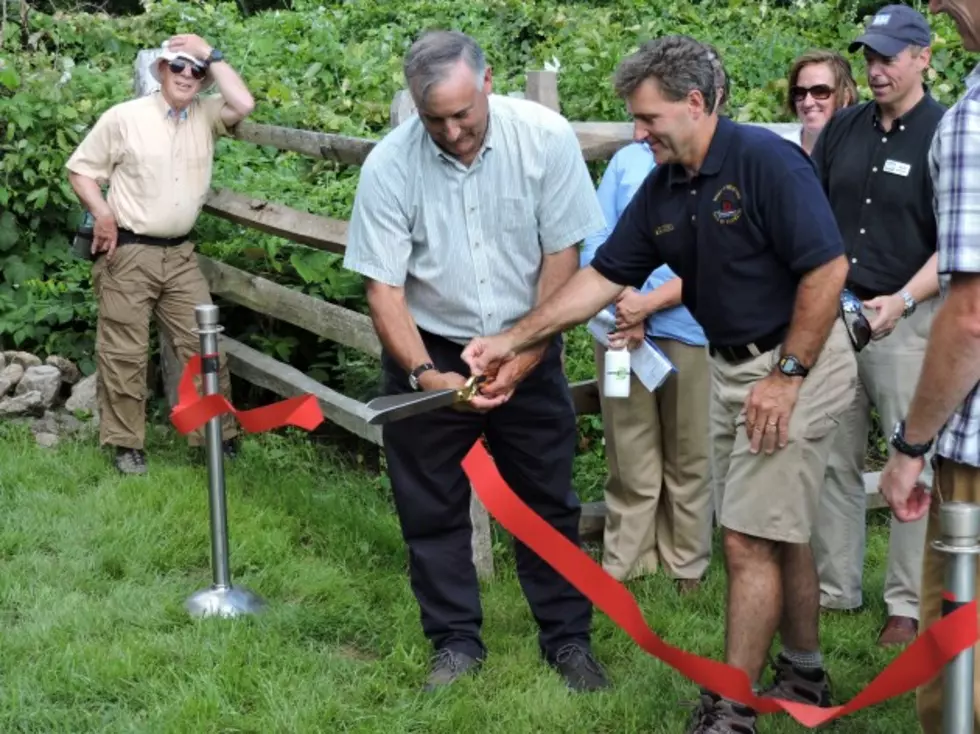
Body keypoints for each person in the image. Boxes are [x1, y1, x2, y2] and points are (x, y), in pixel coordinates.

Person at [461, 35, 858, 733]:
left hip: (801, 362)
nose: (638, 133)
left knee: (744, 540)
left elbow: (827, 270)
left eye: (648, 119)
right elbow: (598, 279)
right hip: (738, 366)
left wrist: (788, 376)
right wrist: (511, 339)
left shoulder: (766, 163)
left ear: (695, 103)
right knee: (777, 529)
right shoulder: (664, 186)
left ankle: (733, 708)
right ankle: (803, 672)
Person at [342, 30, 610, 694]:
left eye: (464, 113)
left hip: (528, 335)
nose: (454, 131)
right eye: (436, 119)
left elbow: (562, 256)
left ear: (487, 83)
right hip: (429, 347)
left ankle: (568, 641)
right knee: (428, 506)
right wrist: (426, 377)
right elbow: (384, 288)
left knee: (548, 499)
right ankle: (456, 644)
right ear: (415, 107)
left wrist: (525, 350)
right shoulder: (390, 165)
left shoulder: (545, 139)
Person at [809, 5, 945, 647]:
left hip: (908, 321)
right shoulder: (841, 128)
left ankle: (907, 604)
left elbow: (960, 245)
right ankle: (835, 589)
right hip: (837, 317)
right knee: (832, 455)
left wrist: (904, 301)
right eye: (869, 55)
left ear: (924, 56)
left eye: (890, 55)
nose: (876, 67)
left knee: (910, 463)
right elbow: (810, 212)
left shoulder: (950, 133)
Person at [65, 35, 253, 475]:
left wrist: (213, 53)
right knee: (124, 353)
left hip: (181, 256)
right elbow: (81, 171)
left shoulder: (205, 115)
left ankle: (214, 435)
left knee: (203, 347)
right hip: (128, 252)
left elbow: (242, 102)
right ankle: (126, 446)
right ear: (162, 70)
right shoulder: (124, 118)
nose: (188, 75)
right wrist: (103, 213)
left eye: (197, 70)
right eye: (179, 67)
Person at [579, 56, 730, 588]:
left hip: (690, 332)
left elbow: (723, 262)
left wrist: (650, 304)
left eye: (649, 119)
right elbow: (597, 245)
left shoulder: (722, 171)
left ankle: (686, 564)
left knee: (690, 456)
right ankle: (627, 562)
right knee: (629, 453)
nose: (643, 132)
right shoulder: (626, 165)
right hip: (623, 336)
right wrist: (627, 306)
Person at [879, 0, 980, 727]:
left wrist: (911, 446)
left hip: (977, 445)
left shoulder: (971, 119)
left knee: (961, 671)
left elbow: (971, 316)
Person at [783, 49, 858, 154]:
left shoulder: (863, 153)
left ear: (846, 97)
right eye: (800, 92)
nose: (807, 103)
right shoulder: (779, 151)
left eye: (820, 92)